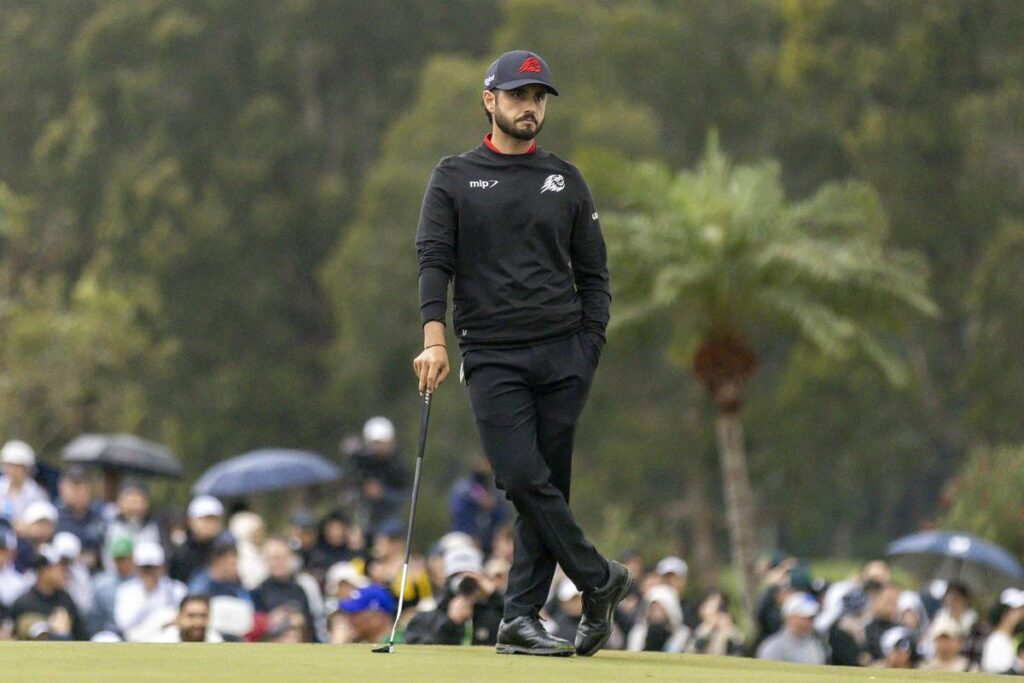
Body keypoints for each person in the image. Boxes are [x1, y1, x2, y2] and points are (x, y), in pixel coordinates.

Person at [413, 49, 631, 658]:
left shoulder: (565, 178)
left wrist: (589, 345)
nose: (530, 107)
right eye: (517, 96)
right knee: (520, 477)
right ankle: (600, 580)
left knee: (548, 487)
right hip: (493, 355)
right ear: (490, 101)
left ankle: (519, 618)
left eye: (537, 98)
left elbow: (595, 274)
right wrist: (435, 339)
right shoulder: (454, 176)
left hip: (565, 354)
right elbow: (435, 263)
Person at [405, 544, 504, 646]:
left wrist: (494, 595)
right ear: (446, 580)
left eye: (470, 579)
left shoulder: (494, 617)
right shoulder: (425, 619)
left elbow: (515, 620)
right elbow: (419, 649)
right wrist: (450, 624)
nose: (464, 584)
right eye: (456, 577)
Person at [9, 544, 87, 640]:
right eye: (60, 567)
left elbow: (82, 637)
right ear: (44, 570)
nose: (66, 571)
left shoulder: (66, 599)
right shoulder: (23, 603)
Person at [113, 541, 187, 640]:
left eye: (152, 567)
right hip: (136, 639)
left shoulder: (177, 589)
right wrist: (147, 594)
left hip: (167, 637)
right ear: (137, 568)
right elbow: (123, 624)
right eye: (145, 568)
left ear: (162, 567)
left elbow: (183, 619)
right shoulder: (126, 591)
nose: (149, 572)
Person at [346, 417, 407, 534]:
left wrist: (382, 494)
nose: (379, 447)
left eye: (382, 443)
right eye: (376, 443)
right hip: (365, 519)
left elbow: (405, 496)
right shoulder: (360, 463)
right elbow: (351, 489)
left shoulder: (396, 465)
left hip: (389, 521)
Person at [251, 538, 316, 640]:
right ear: (266, 560)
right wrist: (272, 620)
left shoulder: (299, 590)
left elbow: (310, 625)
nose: (279, 562)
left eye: (283, 558)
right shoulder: (258, 591)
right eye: (275, 558)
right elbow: (253, 630)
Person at [448, 456, 507, 555]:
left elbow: (501, 514)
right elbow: (458, 512)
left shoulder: (494, 488)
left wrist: (494, 506)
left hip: (488, 542)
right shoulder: (464, 487)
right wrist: (472, 535)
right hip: (465, 537)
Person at [54, 466, 106, 572]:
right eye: (72, 487)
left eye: (81, 486)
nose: (77, 492)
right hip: (63, 571)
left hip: (95, 573)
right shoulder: (53, 515)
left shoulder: (99, 515)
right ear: (62, 488)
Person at [102, 481, 160, 572]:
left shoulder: (155, 527)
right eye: (130, 501)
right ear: (119, 502)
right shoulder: (108, 526)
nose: (134, 506)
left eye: (137, 501)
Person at [168, 495, 226, 585]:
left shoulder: (225, 551)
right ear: (191, 521)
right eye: (205, 519)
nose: (209, 525)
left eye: (214, 520)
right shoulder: (181, 555)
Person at [756, 592, 826, 665]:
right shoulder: (773, 648)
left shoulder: (816, 646)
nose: (809, 622)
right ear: (790, 617)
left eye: (812, 618)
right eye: (805, 617)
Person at [88, 536, 135, 635]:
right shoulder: (101, 584)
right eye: (120, 559)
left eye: (127, 559)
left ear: (133, 558)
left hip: (137, 631)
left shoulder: (141, 581)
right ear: (113, 560)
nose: (123, 563)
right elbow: (94, 618)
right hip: (110, 633)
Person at [626, 584, 691, 653]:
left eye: (660, 609)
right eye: (653, 609)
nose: (656, 614)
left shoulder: (683, 634)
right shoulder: (638, 633)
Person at [0, 441, 49, 525]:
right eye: (9, 466)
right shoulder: (1, 486)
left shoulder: (37, 494)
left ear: (27, 469)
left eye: (17, 467)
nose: (12, 471)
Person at [687, 590, 744, 656]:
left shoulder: (725, 629)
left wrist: (729, 628)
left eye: (711, 604)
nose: (704, 607)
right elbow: (690, 650)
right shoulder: (697, 626)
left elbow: (738, 646)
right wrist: (707, 629)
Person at [982, 588, 1024, 673]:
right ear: (1005, 614)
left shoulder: (1012, 638)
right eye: (1018, 609)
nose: (1021, 613)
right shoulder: (996, 640)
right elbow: (996, 672)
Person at [156, 594, 223, 643]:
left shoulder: (216, 641)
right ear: (178, 618)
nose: (197, 622)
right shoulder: (163, 642)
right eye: (191, 616)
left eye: (203, 616)